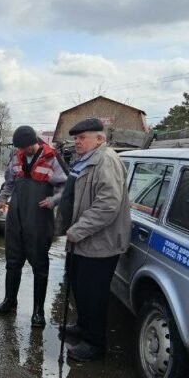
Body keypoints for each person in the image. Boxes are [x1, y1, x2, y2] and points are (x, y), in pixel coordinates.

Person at [61, 118, 131, 361]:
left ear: (99, 138)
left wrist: (78, 229)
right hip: (83, 241)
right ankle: (83, 327)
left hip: (100, 244)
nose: (76, 142)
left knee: (94, 294)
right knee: (80, 288)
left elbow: (107, 205)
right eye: (75, 138)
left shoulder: (106, 160)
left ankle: (94, 344)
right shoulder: (84, 161)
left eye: (82, 137)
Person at [0, 125, 66, 327]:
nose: (22, 152)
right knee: (13, 262)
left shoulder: (52, 158)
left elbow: (65, 187)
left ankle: (38, 311)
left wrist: (53, 201)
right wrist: (2, 199)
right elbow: (9, 183)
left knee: (40, 266)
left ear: (34, 142)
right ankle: (9, 301)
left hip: (39, 218)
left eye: (25, 148)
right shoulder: (16, 158)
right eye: (20, 149)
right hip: (15, 217)